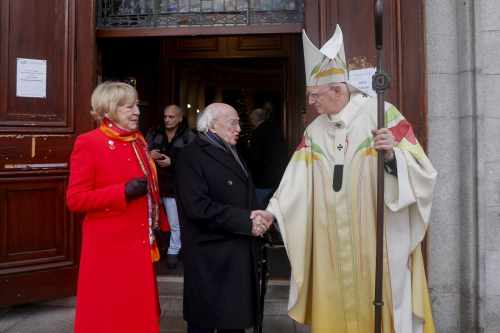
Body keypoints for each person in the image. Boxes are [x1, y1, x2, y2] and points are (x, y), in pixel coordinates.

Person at [265, 26, 438, 332]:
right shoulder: (314, 131)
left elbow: (423, 171)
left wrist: (390, 157)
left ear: (338, 90)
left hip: (376, 237)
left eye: (316, 95)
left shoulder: (383, 115)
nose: (312, 102)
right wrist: (273, 210)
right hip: (329, 241)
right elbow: (295, 181)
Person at [66, 81, 169, 333]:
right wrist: (122, 192)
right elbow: (76, 199)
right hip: (108, 248)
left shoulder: (138, 141)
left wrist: (158, 221)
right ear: (109, 110)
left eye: (136, 106)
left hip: (139, 243)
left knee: (138, 316)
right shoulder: (89, 142)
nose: (137, 112)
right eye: (128, 107)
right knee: (108, 315)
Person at [175, 103, 274, 333]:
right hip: (210, 258)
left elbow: (244, 193)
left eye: (238, 122)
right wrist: (245, 222)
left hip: (236, 254)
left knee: (234, 322)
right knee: (205, 323)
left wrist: (261, 217)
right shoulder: (191, 156)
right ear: (212, 125)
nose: (239, 128)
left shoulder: (231, 150)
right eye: (233, 122)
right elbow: (197, 207)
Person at [147, 104, 195, 269]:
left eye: (171, 117)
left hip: (176, 186)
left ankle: (173, 251)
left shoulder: (188, 136)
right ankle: (158, 249)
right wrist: (149, 155)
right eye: (165, 116)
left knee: (175, 222)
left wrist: (172, 162)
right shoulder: (155, 133)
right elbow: (140, 153)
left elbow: (194, 162)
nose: (167, 120)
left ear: (180, 118)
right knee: (154, 220)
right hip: (155, 185)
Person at [247, 107, 288, 207]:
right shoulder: (276, 129)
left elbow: (255, 158)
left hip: (263, 180)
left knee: (260, 208)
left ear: (254, 120)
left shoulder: (257, 133)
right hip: (279, 177)